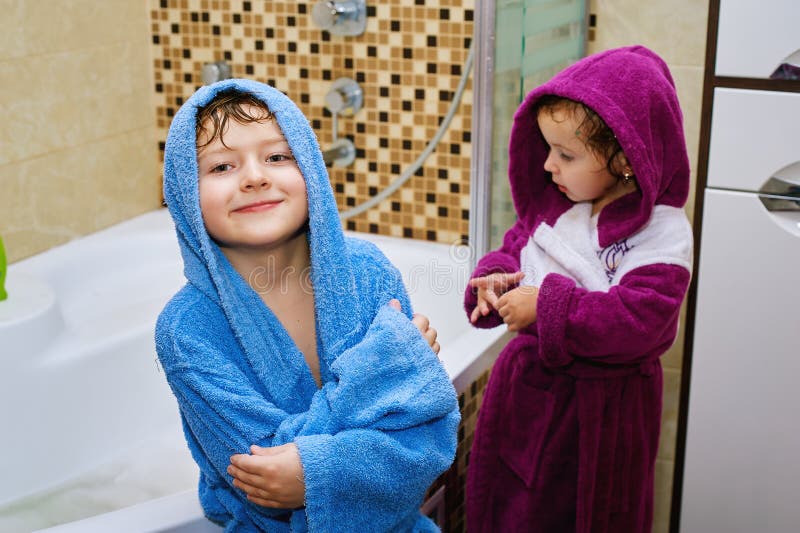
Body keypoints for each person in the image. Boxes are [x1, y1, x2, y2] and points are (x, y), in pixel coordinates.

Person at [155, 79, 460, 532]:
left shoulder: (367, 273)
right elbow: (263, 481)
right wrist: (379, 372)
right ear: (184, 194)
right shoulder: (188, 332)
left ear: (312, 168)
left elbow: (428, 437)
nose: (255, 177)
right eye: (221, 166)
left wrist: (310, 471)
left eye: (278, 156)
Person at [464, 45, 693, 532]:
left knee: (587, 516)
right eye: (548, 149)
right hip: (527, 400)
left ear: (626, 157)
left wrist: (546, 307)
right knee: (517, 510)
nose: (549, 165)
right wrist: (493, 280)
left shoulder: (662, 233)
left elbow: (641, 321)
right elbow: (515, 250)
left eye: (566, 154)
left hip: (602, 418)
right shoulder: (558, 206)